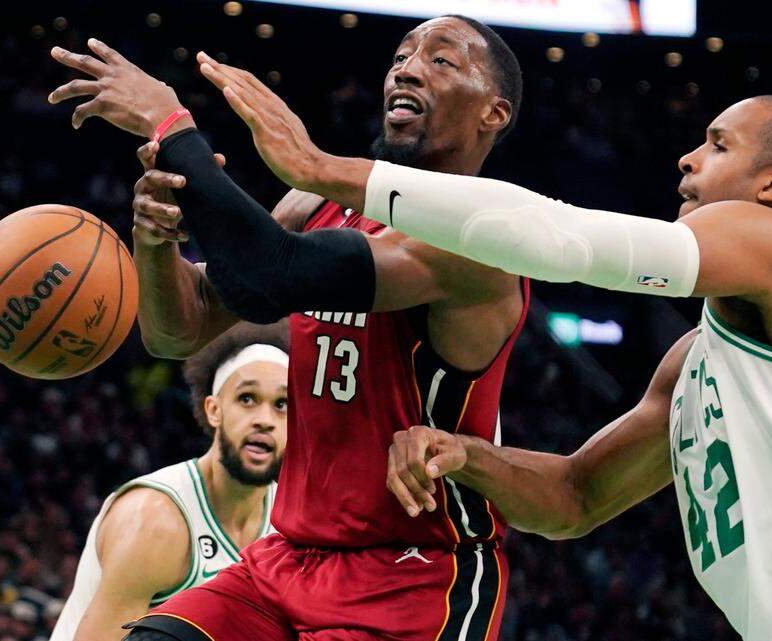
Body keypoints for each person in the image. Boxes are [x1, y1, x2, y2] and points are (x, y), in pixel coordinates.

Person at [200, 71, 772, 641]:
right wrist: (464, 452)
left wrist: (326, 172)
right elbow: (574, 497)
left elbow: (562, 239)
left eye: (716, 144)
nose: (687, 158)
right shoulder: (695, 359)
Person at [48, 15, 530, 641]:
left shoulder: (480, 238)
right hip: (289, 559)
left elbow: (271, 272)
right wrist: (157, 238)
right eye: (402, 56)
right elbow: (179, 331)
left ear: (493, 114)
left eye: (442, 61)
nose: (406, 69)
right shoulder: (317, 206)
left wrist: (170, 126)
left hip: (413, 580)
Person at [49, 323, 288, 641]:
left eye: (282, 405)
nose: (264, 419)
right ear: (214, 410)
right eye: (247, 398)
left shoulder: (290, 524)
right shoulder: (154, 521)